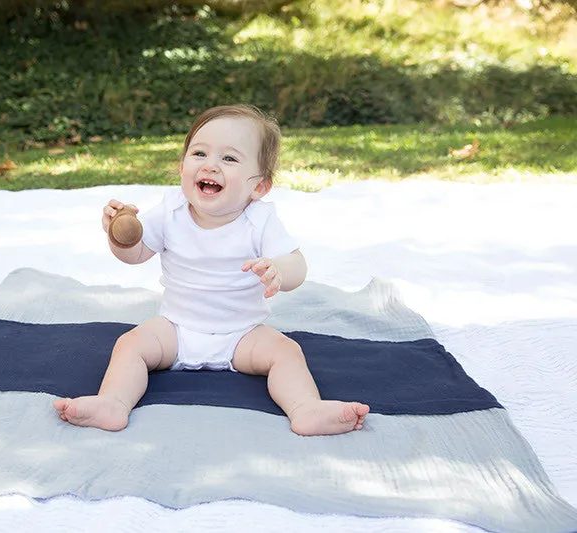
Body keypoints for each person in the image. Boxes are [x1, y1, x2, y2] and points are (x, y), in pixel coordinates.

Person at [54, 104, 369, 436]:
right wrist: (118, 234)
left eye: (229, 159)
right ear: (181, 166)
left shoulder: (259, 221)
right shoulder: (170, 211)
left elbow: (297, 265)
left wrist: (279, 269)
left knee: (287, 352)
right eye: (199, 153)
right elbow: (135, 253)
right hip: (176, 330)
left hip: (242, 334)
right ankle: (112, 403)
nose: (210, 165)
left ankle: (306, 409)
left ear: (259, 186)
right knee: (129, 345)